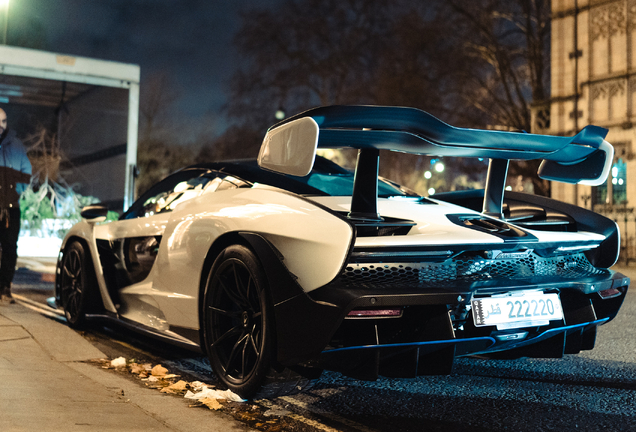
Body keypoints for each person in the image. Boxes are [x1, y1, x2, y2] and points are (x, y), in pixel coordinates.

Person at [0, 108, 32, 303]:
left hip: (11, 208)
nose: (0, 126)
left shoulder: (16, 145)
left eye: (3, 121)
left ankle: (5, 287)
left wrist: (15, 192)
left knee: (10, 247)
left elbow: (26, 173)